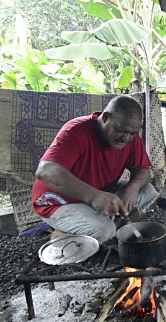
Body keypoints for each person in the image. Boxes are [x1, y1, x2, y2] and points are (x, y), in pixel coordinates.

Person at [32, 95, 159, 243]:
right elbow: (45, 170)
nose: (126, 139)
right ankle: (63, 235)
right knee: (105, 231)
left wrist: (133, 187)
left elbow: (143, 170)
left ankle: (104, 227)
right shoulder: (76, 131)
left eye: (132, 134)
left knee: (148, 191)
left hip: (99, 192)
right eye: (121, 131)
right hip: (59, 201)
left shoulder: (131, 136)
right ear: (105, 118)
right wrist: (94, 196)